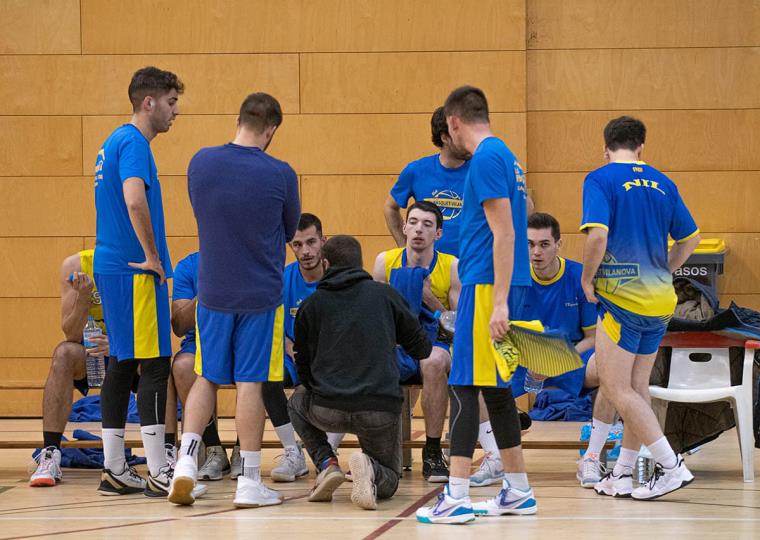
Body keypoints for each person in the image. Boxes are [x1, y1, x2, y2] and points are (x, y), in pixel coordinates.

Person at [170, 92, 300, 508]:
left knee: (206, 376)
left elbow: (202, 212)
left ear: (238, 118)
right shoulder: (281, 173)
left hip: (213, 291)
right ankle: (248, 482)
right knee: (251, 381)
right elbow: (289, 228)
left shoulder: (200, 162)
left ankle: (186, 466)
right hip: (260, 293)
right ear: (272, 129)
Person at [417, 86, 535, 524]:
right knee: (497, 390)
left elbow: (504, 232)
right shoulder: (507, 155)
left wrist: (499, 301)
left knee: (464, 387)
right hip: (500, 285)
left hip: (489, 288)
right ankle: (519, 490)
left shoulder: (485, 158)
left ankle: (457, 494)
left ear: (453, 123)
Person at [580, 116, 700, 500]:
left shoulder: (600, 179)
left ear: (605, 147)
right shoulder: (664, 183)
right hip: (661, 300)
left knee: (616, 388)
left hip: (622, 300)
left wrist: (586, 279)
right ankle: (622, 473)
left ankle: (671, 465)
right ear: (641, 148)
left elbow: (597, 234)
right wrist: (664, 267)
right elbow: (691, 238)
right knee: (636, 388)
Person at [470, 213, 614, 488]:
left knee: (609, 371)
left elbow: (593, 337)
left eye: (544, 244)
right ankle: (494, 457)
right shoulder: (511, 278)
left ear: (559, 244)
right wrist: (529, 357)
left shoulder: (578, 275)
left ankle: (592, 457)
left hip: (572, 355)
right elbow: (500, 330)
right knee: (475, 374)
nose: (536, 252)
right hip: (523, 357)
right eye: (530, 244)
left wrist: (554, 361)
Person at [288, 236, 432, 510]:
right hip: (378, 409)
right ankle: (371, 469)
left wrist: (316, 386)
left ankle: (326, 462)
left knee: (295, 403)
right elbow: (422, 348)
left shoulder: (312, 304)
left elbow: (301, 363)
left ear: (326, 263)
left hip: (327, 408)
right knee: (389, 482)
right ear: (361, 264)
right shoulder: (385, 295)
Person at [93, 66, 183, 497]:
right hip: (134, 269)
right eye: (171, 102)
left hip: (112, 266)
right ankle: (160, 469)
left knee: (123, 364)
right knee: (154, 364)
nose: (175, 112)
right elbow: (133, 198)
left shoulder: (112, 142)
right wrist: (152, 256)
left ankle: (114, 468)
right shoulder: (133, 143)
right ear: (148, 102)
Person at [372, 200, 460, 483]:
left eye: (427, 224)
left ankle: (432, 451)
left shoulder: (452, 266)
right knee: (372, 360)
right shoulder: (385, 262)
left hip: (436, 340)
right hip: (397, 339)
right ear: (404, 227)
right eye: (413, 222)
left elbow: (456, 326)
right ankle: (376, 453)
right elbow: (375, 313)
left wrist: (429, 298)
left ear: (438, 234)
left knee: (433, 363)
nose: (418, 229)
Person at [30, 250, 111, 486]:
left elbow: (155, 327)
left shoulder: (140, 260)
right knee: (63, 353)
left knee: (161, 362)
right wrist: (83, 298)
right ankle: (50, 453)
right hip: (91, 350)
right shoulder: (76, 265)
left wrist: (117, 345)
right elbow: (72, 333)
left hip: (129, 350)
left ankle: (166, 454)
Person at [260, 213, 327, 482]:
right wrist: (290, 347)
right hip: (291, 356)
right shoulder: (281, 277)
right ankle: (293, 453)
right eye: (297, 245)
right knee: (265, 375)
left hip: (328, 358)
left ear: (324, 241)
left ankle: (326, 453)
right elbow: (271, 325)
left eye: (311, 242)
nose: (306, 251)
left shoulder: (337, 277)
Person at [169, 251, 237, 480]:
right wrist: (205, 294)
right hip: (200, 342)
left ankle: (243, 450)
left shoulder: (247, 257)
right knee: (183, 367)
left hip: (241, 340)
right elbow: (178, 325)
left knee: (260, 367)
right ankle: (213, 448)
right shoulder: (188, 266)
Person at [384, 107, 471, 257]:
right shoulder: (416, 170)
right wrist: (403, 246)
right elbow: (390, 207)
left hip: (471, 267)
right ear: (445, 138)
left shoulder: (483, 171)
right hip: (428, 266)